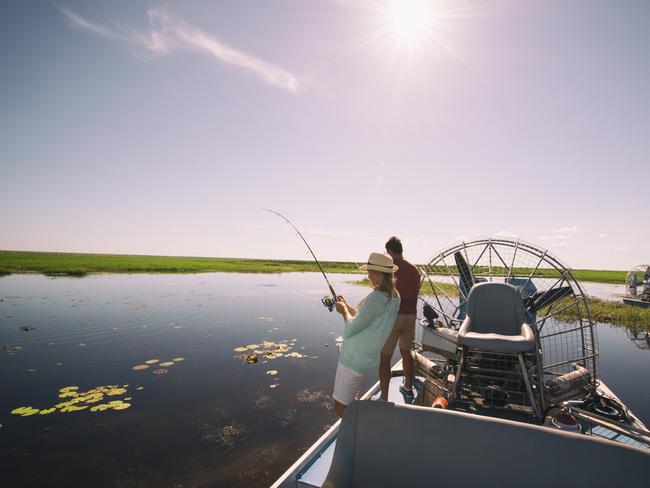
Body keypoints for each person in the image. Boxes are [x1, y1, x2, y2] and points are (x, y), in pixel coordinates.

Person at [332, 252, 401, 417]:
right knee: (351, 399)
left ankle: (355, 433)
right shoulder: (395, 296)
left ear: (379, 273)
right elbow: (366, 319)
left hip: (352, 357)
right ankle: (357, 423)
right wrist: (348, 307)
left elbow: (351, 327)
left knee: (340, 407)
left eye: (370, 271)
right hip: (364, 358)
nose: (368, 274)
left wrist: (343, 312)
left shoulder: (376, 297)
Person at [379, 236, 421, 401]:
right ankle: (408, 388)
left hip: (395, 318)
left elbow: (384, 294)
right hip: (410, 318)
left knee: (385, 357)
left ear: (390, 251)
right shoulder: (415, 269)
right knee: (406, 353)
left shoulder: (392, 269)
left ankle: (384, 397)